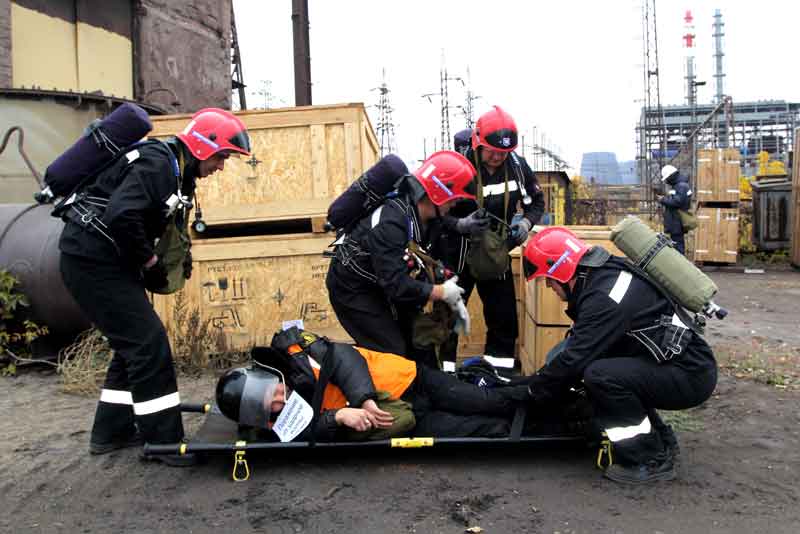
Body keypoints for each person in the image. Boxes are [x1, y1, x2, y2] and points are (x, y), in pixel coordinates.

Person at [58, 108, 251, 466]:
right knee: (149, 343)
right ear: (203, 147)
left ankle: (110, 433)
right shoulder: (158, 165)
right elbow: (122, 214)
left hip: (104, 260)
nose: (222, 166)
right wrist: (148, 262)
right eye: (222, 156)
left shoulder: (177, 171)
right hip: (91, 261)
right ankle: (164, 442)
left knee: (133, 345)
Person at [521, 227, 717, 484]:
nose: (548, 286)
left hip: (689, 375)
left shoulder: (604, 297)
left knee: (601, 376)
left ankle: (648, 459)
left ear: (561, 269)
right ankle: (662, 440)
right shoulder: (604, 274)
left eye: (548, 278)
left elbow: (574, 360)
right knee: (597, 367)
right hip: (679, 364)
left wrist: (531, 391)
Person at [215, 327, 532, 441]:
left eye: (274, 393)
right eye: (269, 408)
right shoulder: (268, 424)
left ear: (264, 377)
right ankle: (552, 426)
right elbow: (307, 433)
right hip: (402, 420)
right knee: (485, 430)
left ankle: (549, 396)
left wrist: (363, 399)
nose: (279, 403)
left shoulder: (294, 348)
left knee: (487, 401)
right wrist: (337, 417)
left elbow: (342, 357)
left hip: (409, 381)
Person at [326, 150, 477, 368]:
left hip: (382, 280)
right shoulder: (391, 224)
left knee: (417, 347)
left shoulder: (428, 219)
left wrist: (450, 294)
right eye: (453, 200)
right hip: (353, 288)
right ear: (438, 194)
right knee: (392, 353)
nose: (454, 205)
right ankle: (369, 393)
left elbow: (429, 262)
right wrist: (440, 293)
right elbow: (395, 284)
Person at [438, 106, 545, 370]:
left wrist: (525, 224)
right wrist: (460, 224)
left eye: (504, 152)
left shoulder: (518, 167)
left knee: (504, 319)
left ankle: (498, 377)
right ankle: (444, 377)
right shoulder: (457, 167)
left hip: (494, 254)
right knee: (446, 320)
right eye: (492, 150)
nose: (497, 157)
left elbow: (536, 202)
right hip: (456, 254)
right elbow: (432, 212)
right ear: (476, 142)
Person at [658, 164, 693, 255]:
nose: (666, 181)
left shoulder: (681, 186)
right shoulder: (679, 185)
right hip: (675, 222)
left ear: (671, 176)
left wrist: (663, 200)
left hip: (677, 222)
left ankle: (680, 266)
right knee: (676, 244)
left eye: (667, 179)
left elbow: (677, 202)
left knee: (678, 247)